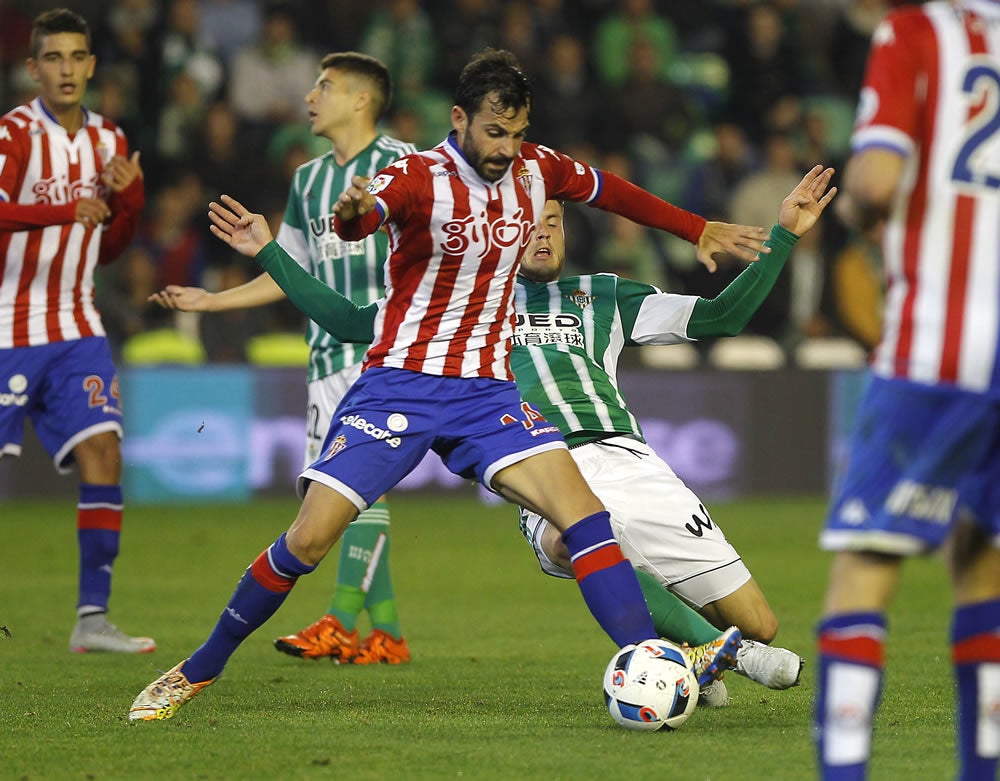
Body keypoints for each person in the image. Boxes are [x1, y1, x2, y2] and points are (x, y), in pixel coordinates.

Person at [129, 48, 771, 721]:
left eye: (518, 134)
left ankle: (650, 656)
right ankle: (195, 669)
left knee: (586, 517)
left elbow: (609, 189)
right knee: (308, 542)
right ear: (460, 119)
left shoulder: (537, 169)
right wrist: (351, 214)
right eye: (495, 133)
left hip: (487, 393)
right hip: (400, 385)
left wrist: (698, 227)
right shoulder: (416, 174)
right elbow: (366, 216)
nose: (507, 149)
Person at [198, 167, 836, 706]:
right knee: (564, 539)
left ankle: (710, 643)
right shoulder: (457, 307)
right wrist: (268, 252)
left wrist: (782, 234)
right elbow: (344, 319)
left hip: (630, 461)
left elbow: (724, 317)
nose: (544, 232)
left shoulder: (605, 296)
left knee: (763, 621)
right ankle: (712, 653)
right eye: (530, 222)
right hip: (539, 461)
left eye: (555, 221)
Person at [151, 52, 418, 665]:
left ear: (360, 99)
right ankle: (389, 633)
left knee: (352, 489)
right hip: (326, 354)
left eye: (324, 86)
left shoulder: (408, 165)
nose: (308, 98)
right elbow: (287, 271)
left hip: (386, 347)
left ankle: (341, 620)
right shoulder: (308, 181)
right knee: (335, 494)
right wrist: (214, 302)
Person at [814, 3, 1000, 779]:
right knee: (983, 562)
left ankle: (845, 770)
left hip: (937, 347)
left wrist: (858, 215)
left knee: (865, 562)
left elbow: (876, 180)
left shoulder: (916, 31)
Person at [0, 9, 150, 653]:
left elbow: (110, 247)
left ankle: (92, 619)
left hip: (75, 323)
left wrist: (132, 199)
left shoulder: (110, 140)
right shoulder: (11, 134)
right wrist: (68, 206)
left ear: (91, 65)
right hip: (7, 320)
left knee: (104, 453)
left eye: (77, 57)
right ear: (34, 69)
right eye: (53, 58)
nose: (66, 69)